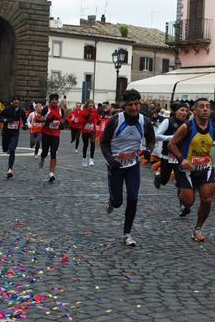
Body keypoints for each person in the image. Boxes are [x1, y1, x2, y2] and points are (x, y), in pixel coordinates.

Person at [168, 98, 215, 241]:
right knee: (188, 202)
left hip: (206, 168)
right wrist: (182, 159)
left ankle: (198, 228)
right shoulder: (186, 127)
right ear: (195, 111)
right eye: (201, 107)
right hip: (188, 170)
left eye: (208, 107)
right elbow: (171, 144)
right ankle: (181, 190)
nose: (205, 109)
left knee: (207, 200)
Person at [100, 89, 156, 246]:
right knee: (118, 202)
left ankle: (127, 233)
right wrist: (111, 160)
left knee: (133, 198)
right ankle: (111, 202)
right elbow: (103, 143)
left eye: (136, 104)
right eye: (130, 105)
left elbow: (151, 140)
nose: (134, 108)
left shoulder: (144, 121)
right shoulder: (115, 120)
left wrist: (148, 150)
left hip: (132, 165)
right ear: (124, 106)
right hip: (115, 166)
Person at [153, 102, 189, 190]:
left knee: (181, 181)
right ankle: (158, 178)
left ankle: (183, 203)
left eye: (186, 111)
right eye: (182, 110)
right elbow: (157, 136)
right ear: (176, 111)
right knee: (164, 180)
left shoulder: (187, 124)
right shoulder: (168, 121)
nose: (184, 113)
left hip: (180, 156)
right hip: (167, 155)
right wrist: (173, 138)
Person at [0, 94, 27, 178]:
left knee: (12, 149)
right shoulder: (7, 109)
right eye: (15, 100)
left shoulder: (21, 111)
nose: (16, 101)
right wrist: (5, 120)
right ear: (12, 101)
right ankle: (8, 149)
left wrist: (25, 125)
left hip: (15, 133)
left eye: (18, 100)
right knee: (5, 149)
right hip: (6, 132)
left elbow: (24, 118)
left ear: (19, 101)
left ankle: (10, 170)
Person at [40, 94, 65, 182]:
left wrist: (61, 125)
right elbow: (37, 119)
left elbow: (62, 120)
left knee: (53, 152)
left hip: (55, 135)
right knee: (45, 152)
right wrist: (47, 120)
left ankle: (51, 173)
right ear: (50, 101)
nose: (54, 101)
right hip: (46, 134)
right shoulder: (46, 109)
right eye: (52, 100)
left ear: (58, 101)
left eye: (55, 100)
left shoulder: (61, 110)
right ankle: (42, 157)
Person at [80, 99, 99, 167]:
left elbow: (98, 116)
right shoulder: (83, 112)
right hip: (85, 131)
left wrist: (99, 120)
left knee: (93, 142)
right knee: (85, 145)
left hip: (92, 130)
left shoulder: (95, 111)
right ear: (87, 106)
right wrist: (85, 118)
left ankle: (91, 159)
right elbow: (80, 122)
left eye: (92, 106)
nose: (91, 107)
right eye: (90, 106)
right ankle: (84, 158)